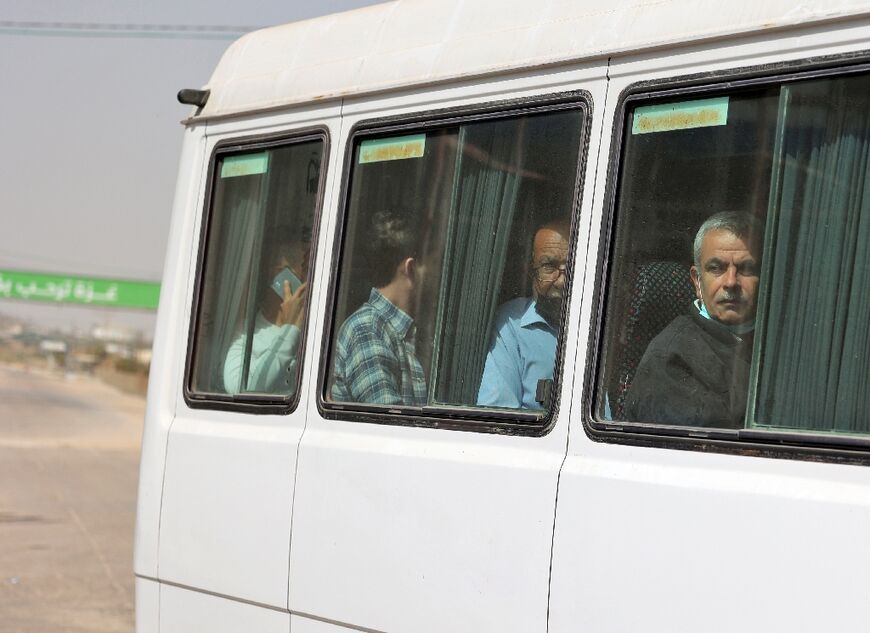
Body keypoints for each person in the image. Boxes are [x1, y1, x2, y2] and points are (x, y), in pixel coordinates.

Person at [624, 211, 762, 428]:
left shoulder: (782, 343)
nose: (731, 282)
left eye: (746, 268)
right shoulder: (670, 360)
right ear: (697, 281)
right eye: (716, 268)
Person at [330, 208, 427, 406]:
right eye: (433, 263)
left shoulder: (411, 331)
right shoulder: (366, 330)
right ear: (411, 268)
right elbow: (389, 429)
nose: (438, 273)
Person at [477, 219, 570, 409]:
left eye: (570, 266)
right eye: (549, 267)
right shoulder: (510, 324)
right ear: (530, 272)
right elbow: (499, 415)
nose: (561, 281)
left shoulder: (593, 325)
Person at [223, 227, 309, 394]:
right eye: (306, 267)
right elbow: (241, 388)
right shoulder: (247, 335)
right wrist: (290, 330)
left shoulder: (318, 332)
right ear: (281, 277)